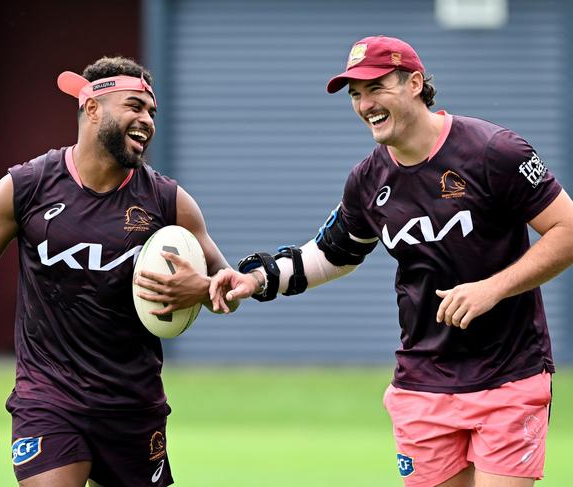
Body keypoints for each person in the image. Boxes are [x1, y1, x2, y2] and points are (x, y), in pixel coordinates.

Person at [210, 36, 573, 487]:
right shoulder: (368, 180)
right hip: (422, 383)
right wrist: (259, 280)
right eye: (356, 95)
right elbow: (333, 253)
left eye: (375, 88)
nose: (364, 104)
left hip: (509, 376)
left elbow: (568, 231)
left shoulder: (494, 152)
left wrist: (492, 288)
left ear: (415, 83)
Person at [0, 56, 235, 487]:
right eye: (134, 106)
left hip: (133, 406)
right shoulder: (27, 187)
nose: (147, 120)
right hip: (48, 399)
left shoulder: (169, 203)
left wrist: (202, 288)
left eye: (152, 112)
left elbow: (232, 287)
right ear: (92, 108)